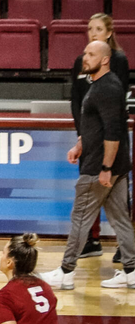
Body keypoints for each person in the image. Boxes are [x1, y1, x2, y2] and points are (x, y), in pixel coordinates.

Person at [40, 40, 135, 291]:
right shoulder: (100, 85)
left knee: (80, 219)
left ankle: (66, 272)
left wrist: (105, 168)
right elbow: (98, 126)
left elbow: (114, 133)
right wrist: (80, 144)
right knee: (120, 219)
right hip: (112, 164)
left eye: (91, 54)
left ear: (104, 59)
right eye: (85, 53)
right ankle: (133, 271)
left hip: (99, 167)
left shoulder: (108, 88)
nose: (85, 58)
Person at [69, 14, 130, 263]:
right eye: (89, 28)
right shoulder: (80, 62)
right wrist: (81, 135)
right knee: (89, 191)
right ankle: (91, 242)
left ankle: (123, 250)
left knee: (116, 195)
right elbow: (75, 100)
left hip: (110, 137)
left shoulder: (118, 61)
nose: (92, 32)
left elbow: (115, 106)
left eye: (98, 29)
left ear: (108, 32)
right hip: (89, 136)